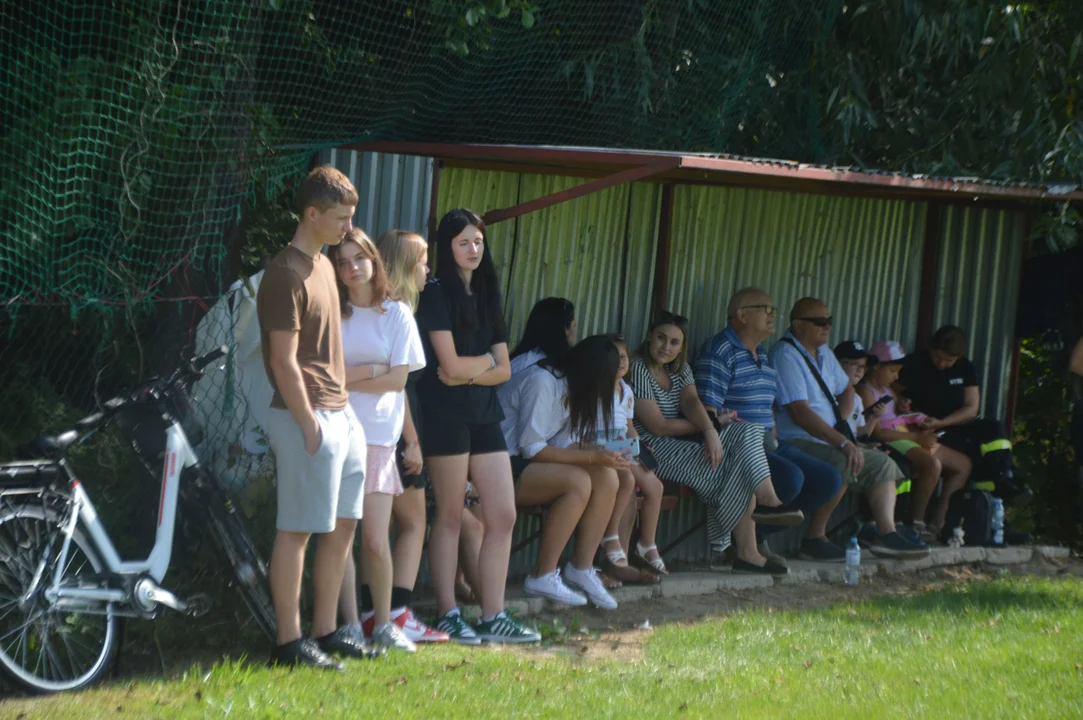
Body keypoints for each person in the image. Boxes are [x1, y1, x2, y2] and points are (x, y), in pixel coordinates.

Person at [257, 165, 369, 670]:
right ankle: (289, 641)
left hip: (341, 415)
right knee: (298, 530)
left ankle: (327, 630)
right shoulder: (284, 274)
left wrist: (341, 417)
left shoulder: (324, 265)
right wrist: (309, 424)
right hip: (305, 419)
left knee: (343, 526)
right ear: (312, 214)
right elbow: (283, 360)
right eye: (341, 218)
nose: (348, 228)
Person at [416, 208, 540, 645]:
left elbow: (504, 368)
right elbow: (444, 366)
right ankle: (448, 612)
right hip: (445, 413)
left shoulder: (488, 289)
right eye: (464, 242)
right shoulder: (433, 292)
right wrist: (481, 365)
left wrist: (476, 368)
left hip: (484, 411)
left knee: (503, 514)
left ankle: (494, 615)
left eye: (479, 242)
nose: (473, 249)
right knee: (449, 515)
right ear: (447, 247)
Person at [629, 311, 803, 576]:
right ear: (649, 336)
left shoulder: (680, 369)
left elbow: (690, 402)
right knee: (738, 465)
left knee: (747, 431)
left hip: (681, 444)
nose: (666, 346)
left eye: (674, 342)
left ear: (682, 346)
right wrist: (713, 425)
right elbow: (658, 426)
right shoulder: (640, 367)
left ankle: (767, 504)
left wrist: (710, 429)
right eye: (661, 338)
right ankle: (749, 550)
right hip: (652, 450)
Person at [371, 229, 478, 643]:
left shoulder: (371, 309)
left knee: (378, 530)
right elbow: (399, 386)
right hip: (398, 429)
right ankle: (396, 612)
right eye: (422, 262)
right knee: (413, 522)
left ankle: (373, 612)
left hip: (380, 428)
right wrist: (412, 440)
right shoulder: (399, 313)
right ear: (403, 266)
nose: (428, 270)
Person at [327, 230, 426, 653]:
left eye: (358, 259)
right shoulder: (334, 311)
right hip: (338, 436)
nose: (351, 269)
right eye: (342, 262)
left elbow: (399, 380)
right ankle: (350, 624)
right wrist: (373, 371)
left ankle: (383, 624)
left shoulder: (397, 313)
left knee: (375, 539)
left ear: (373, 261)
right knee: (340, 537)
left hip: (380, 444)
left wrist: (357, 376)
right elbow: (329, 380)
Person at [770, 298, 929, 559]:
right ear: (798, 325)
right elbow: (800, 414)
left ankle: (886, 535)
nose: (827, 327)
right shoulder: (785, 355)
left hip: (829, 438)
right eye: (819, 322)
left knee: (882, 464)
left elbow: (847, 387)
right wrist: (842, 442)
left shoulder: (824, 352)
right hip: (798, 439)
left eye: (829, 321)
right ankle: (815, 538)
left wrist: (840, 425)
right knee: (845, 460)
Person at [695, 288, 844, 563]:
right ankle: (743, 545)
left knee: (829, 479)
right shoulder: (719, 351)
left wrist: (773, 438)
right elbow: (707, 412)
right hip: (736, 445)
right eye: (766, 309)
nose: (773, 315)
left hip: (767, 442)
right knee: (791, 478)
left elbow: (767, 407)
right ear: (741, 315)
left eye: (774, 310)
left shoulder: (760, 352)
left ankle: (758, 534)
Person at [501, 333, 630, 609]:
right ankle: (542, 575)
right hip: (500, 466)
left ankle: (582, 568)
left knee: (606, 475)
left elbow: (562, 442)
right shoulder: (543, 381)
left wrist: (601, 454)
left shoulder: (572, 387)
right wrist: (591, 456)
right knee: (578, 481)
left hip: (531, 464)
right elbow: (532, 448)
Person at [897, 325, 1031, 506]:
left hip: (953, 424)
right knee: (977, 457)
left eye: (949, 361)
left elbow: (971, 407)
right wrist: (901, 402)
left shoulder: (965, 368)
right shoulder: (915, 363)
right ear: (930, 348)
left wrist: (943, 422)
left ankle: (1005, 480)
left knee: (994, 429)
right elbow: (890, 391)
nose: (942, 364)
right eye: (937, 357)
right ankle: (982, 505)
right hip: (924, 427)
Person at [858, 340, 971, 541]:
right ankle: (914, 520)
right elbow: (876, 432)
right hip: (890, 439)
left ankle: (914, 520)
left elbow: (896, 413)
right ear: (876, 367)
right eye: (893, 371)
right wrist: (917, 437)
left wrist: (904, 408)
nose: (897, 376)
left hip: (902, 435)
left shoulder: (888, 390)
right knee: (930, 464)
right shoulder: (867, 391)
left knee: (935, 463)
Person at [608, 334, 668, 577]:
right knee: (646, 485)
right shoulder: (598, 388)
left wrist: (640, 445)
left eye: (624, 357)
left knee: (655, 487)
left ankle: (642, 544)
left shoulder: (627, 389)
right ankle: (636, 544)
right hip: (606, 444)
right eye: (614, 358)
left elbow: (629, 426)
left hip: (624, 444)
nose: (621, 362)